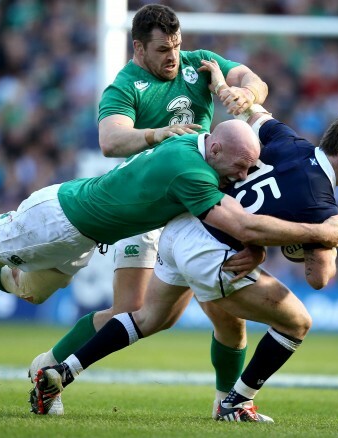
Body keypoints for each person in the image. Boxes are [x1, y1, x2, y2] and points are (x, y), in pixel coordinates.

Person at [30, 105, 338, 422]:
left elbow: (255, 113)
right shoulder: (322, 204)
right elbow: (319, 277)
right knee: (297, 323)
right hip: (212, 251)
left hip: (184, 224)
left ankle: (62, 372)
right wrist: (326, 238)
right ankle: (237, 403)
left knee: (149, 318)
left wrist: (226, 86)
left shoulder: (290, 141)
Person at [0, 118, 338, 327]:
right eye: (240, 164)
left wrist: (254, 248)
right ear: (216, 149)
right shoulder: (193, 174)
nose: (245, 173)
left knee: (27, 289)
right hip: (58, 220)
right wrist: (321, 233)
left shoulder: (194, 150)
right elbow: (246, 224)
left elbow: (241, 224)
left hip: (84, 230)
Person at [30, 3, 269, 417]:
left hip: (196, 205)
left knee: (227, 312)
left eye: (177, 45)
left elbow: (253, 80)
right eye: (163, 49)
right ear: (139, 48)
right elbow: (111, 141)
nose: (173, 56)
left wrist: (244, 93)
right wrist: (158, 133)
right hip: (146, 208)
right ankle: (49, 367)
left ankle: (229, 403)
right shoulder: (126, 85)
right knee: (132, 312)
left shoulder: (200, 66)